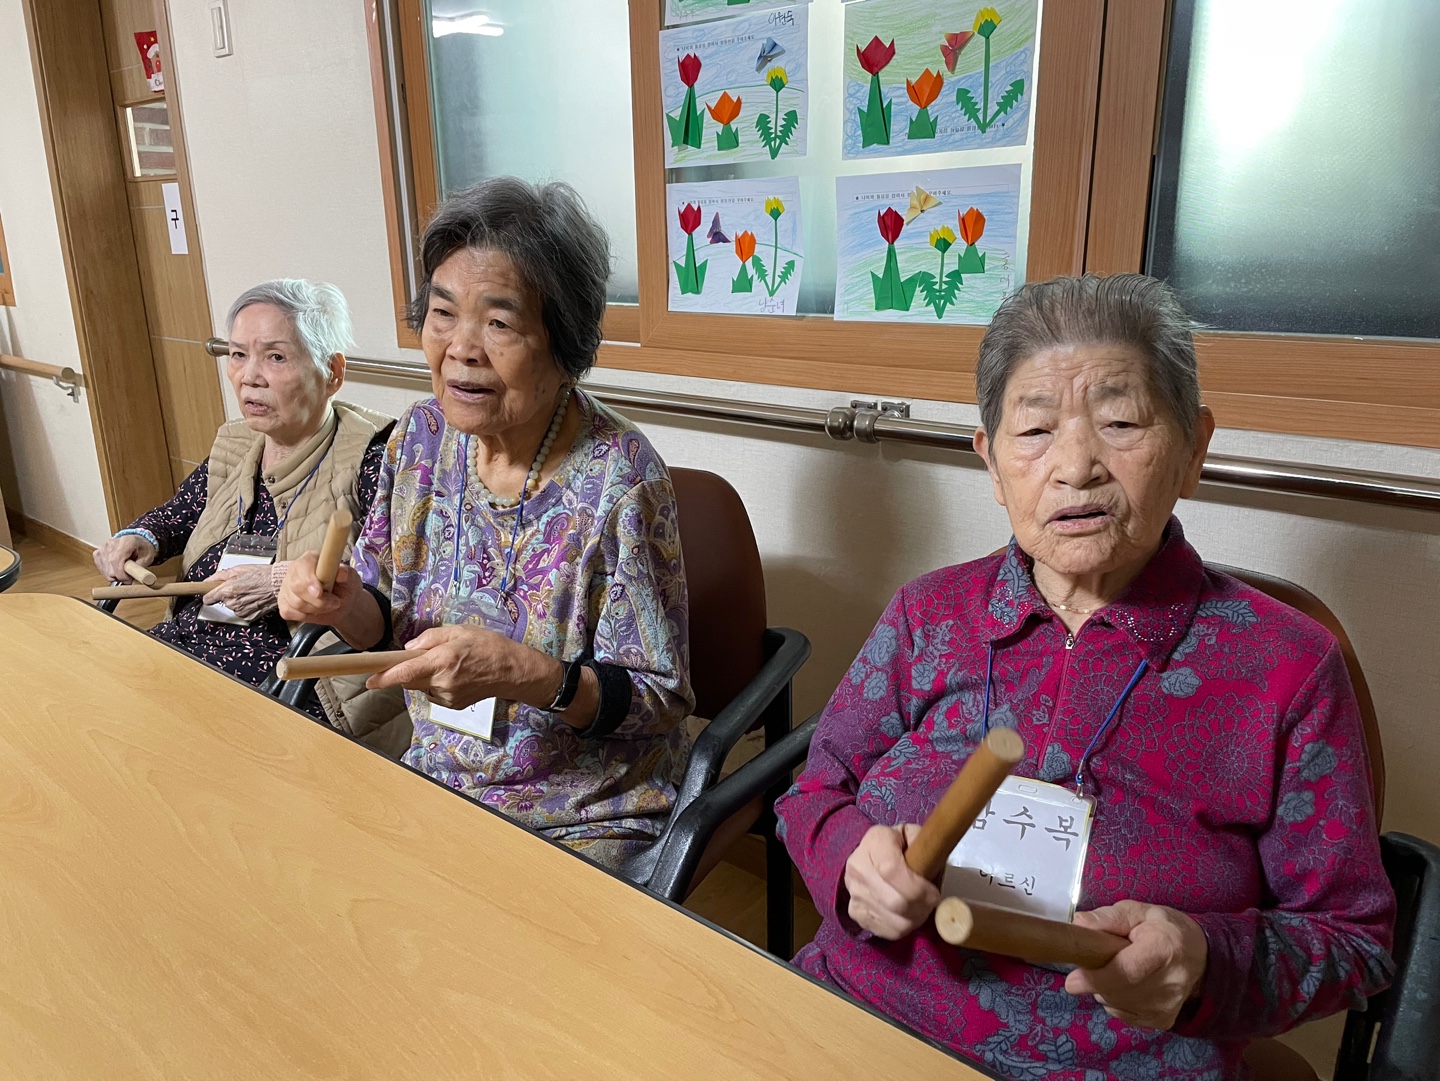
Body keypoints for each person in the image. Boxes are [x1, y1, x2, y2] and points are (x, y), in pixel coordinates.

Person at [775, 274, 1394, 1080]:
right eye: (1035, 430)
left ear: (1194, 447)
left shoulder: (1288, 665)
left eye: (1120, 422)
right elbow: (813, 790)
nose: (1075, 467)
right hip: (857, 1020)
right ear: (991, 462)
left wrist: (1205, 959)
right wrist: (851, 860)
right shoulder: (927, 614)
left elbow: (1353, 938)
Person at [279, 178, 693, 870]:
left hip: (582, 811)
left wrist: (533, 677)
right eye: (443, 314)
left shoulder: (622, 479)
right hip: (437, 778)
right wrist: (341, 603)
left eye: (499, 323)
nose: (462, 348)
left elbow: (657, 699)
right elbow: (383, 619)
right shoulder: (418, 439)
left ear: (565, 346)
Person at [93, 279, 399, 744]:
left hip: (292, 671)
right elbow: (180, 513)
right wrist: (141, 537)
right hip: (194, 637)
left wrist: (282, 580)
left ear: (332, 372)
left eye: (275, 357)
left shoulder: (374, 455)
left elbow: (391, 589)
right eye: (238, 354)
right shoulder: (237, 442)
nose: (249, 376)